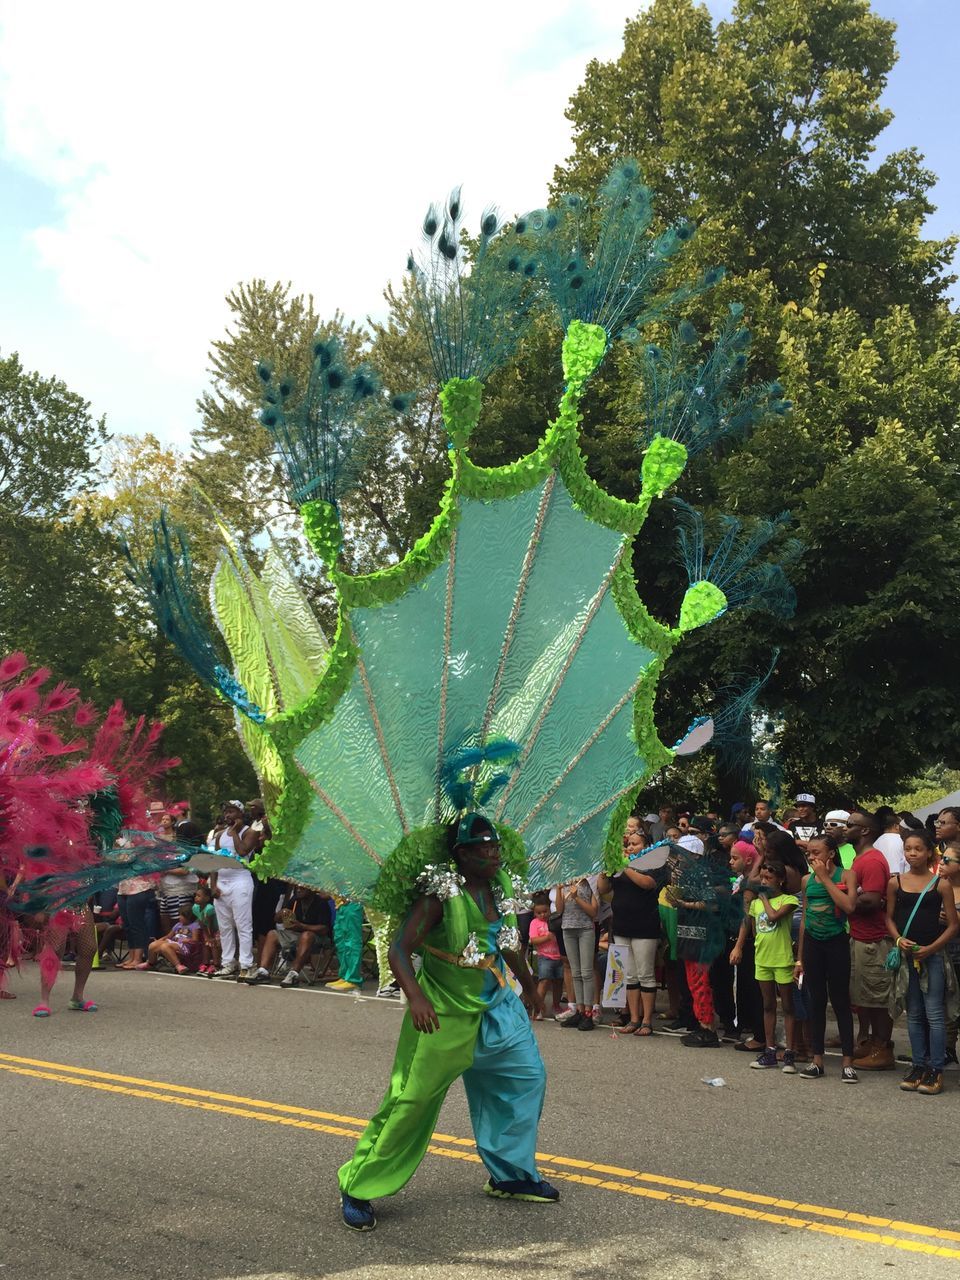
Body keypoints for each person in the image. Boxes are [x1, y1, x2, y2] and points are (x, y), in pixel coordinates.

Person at [337, 813, 556, 1232]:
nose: (494, 855)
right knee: (412, 1101)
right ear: (461, 854)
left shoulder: (502, 886)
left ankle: (510, 1175)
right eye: (484, 850)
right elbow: (399, 949)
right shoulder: (437, 896)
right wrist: (416, 997)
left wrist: (528, 986)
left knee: (525, 1080)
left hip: (497, 1006)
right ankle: (359, 1186)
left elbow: (507, 943)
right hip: (442, 1013)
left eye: (496, 848)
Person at [887, 830, 959, 1096]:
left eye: (918, 848)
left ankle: (935, 1069)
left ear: (929, 852)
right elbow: (889, 918)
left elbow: (952, 925)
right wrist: (897, 939)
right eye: (908, 848)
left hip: (934, 957)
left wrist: (931, 949)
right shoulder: (895, 883)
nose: (912, 853)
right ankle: (918, 1065)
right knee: (914, 1013)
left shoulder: (940, 885)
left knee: (935, 1014)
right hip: (908, 956)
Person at [796, 834, 858, 1081]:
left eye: (817, 853)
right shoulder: (805, 880)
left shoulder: (846, 875)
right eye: (809, 853)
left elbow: (849, 907)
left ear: (831, 853)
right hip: (813, 943)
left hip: (837, 941)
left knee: (841, 1000)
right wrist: (799, 957)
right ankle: (817, 1059)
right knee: (816, 1000)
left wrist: (824, 877)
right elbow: (805, 920)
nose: (812, 857)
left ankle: (847, 1062)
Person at [597, 835, 669, 1037]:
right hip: (621, 925)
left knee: (646, 973)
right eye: (628, 844)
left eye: (635, 844)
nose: (630, 847)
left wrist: (626, 866)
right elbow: (603, 889)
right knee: (629, 974)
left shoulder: (653, 863)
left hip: (645, 926)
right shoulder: (620, 866)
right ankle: (634, 1018)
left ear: (646, 846)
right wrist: (605, 870)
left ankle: (647, 1020)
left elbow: (647, 884)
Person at [845, 809, 896, 1071]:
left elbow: (872, 901)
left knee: (877, 998)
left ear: (864, 831)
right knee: (863, 996)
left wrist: (842, 898)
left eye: (850, 825)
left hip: (874, 940)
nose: (844, 828)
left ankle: (883, 1048)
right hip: (859, 937)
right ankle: (869, 1043)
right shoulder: (859, 858)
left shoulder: (872, 861)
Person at [735, 859, 798, 1071]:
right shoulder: (755, 904)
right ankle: (769, 1050)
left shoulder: (789, 900)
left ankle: (789, 1052)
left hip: (782, 959)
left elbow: (773, 918)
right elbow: (751, 927)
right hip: (762, 959)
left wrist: (762, 896)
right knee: (768, 1004)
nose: (764, 881)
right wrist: (739, 947)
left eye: (769, 878)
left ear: (780, 880)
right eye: (762, 878)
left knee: (788, 1006)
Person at [208, 801, 259, 981]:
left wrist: (236, 832)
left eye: (232, 812)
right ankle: (228, 963)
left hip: (240, 880)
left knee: (243, 924)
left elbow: (243, 850)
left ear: (241, 813)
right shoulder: (219, 835)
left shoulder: (249, 832)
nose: (228, 815)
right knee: (225, 927)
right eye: (226, 812)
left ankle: (246, 965)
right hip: (222, 882)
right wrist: (213, 885)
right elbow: (213, 861)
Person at [246, 885, 332, 987]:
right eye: (297, 888)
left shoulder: (321, 903)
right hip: (295, 934)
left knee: (306, 935)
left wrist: (302, 926)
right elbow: (277, 920)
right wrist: (281, 914)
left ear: (311, 889)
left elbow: (324, 929)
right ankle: (263, 972)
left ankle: (293, 974)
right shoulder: (295, 899)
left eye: (302, 888)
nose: (298, 890)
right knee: (272, 934)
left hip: (317, 937)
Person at [556, 874, 599, 1030]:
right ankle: (579, 1011)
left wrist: (577, 898)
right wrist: (559, 890)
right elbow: (559, 909)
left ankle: (588, 1012)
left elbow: (594, 912)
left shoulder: (588, 883)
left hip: (585, 930)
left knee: (586, 972)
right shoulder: (565, 882)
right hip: (568, 929)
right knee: (575, 972)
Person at [528, 894, 563, 1018]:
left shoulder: (554, 920)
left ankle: (556, 1006)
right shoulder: (534, 923)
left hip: (559, 956)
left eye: (545, 911)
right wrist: (547, 937)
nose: (542, 914)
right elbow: (533, 940)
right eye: (539, 913)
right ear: (534, 913)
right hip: (544, 956)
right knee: (544, 981)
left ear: (550, 909)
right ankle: (537, 1008)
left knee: (559, 982)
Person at [142, 906, 203, 973]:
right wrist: (159, 940)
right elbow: (169, 936)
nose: (179, 917)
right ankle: (151, 963)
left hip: (184, 946)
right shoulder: (178, 925)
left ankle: (178, 965)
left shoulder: (194, 925)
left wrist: (188, 940)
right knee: (153, 945)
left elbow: (195, 940)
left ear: (188, 917)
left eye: (181, 916)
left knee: (165, 946)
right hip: (174, 942)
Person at [192, 885, 220, 976]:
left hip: (216, 929)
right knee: (205, 944)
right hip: (206, 928)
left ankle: (216, 965)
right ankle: (206, 963)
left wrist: (210, 937)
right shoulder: (195, 908)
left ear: (207, 898)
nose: (196, 897)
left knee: (213, 944)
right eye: (196, 895)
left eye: (199, 896)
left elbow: (211, 924)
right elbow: (201, 922)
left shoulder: (209, 908)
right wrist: (207, 936)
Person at [874, 806, 909, 875]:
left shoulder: (874, 844)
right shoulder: (902, 839)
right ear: (896, 826)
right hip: (903, 879)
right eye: (900, 825)